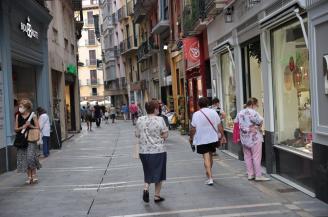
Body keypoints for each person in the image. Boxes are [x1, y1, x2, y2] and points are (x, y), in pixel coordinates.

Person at [136, 100, 169, 203]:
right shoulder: (160, 120)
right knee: (159, 172)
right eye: (157, 107)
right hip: (158, 150)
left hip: (143, 151)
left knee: (148, 171)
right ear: (155, 109)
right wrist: (160, 136)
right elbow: (165, 135)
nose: (158, 109)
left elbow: (137, 134)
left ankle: (146, 188)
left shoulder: (140, 119)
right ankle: (157, 196)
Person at [189, 97, 226, 185]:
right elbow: (219, 125)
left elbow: (193, 128)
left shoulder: (196, 114)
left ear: (199, 105)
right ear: (207, 104)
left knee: (206, 157)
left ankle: (210, 177)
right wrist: (223, 135)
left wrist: (191, 137)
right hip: (213, 138)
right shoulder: (213, 112)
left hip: (202, 139)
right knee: (210, 156)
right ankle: (208, 172)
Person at [235, 98, 270, 181]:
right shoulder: (253, 112)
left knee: (247, 156)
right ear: (252, 104)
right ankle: (258, 175)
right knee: (256, 157)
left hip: (244, 138)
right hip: (255, 138)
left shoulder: (240, 113)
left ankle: (250, 174)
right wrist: (258, 127)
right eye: (256, 105)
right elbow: (260, 121)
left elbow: (236, 123)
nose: (257, 106)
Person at [15, 99, 41, 184]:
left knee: (30, 157)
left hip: (31, 139)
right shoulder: (18, 116)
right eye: (19, 106)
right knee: (25, 159)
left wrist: (30, 125)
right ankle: (29, 176)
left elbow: (38, 127)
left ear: (26, 108)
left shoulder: (33, 116)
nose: (19, 108)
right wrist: (22, 127)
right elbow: (15, 129)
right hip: (21, 139)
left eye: (21, 106)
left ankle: (34, 174)